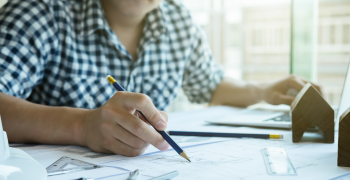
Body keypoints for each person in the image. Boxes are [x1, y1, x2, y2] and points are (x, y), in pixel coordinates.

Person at [0, 0, 321, 157]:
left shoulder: (177, 19)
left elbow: (209, 84)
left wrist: (263, 90)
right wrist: (82, 126)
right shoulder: (40, 10)